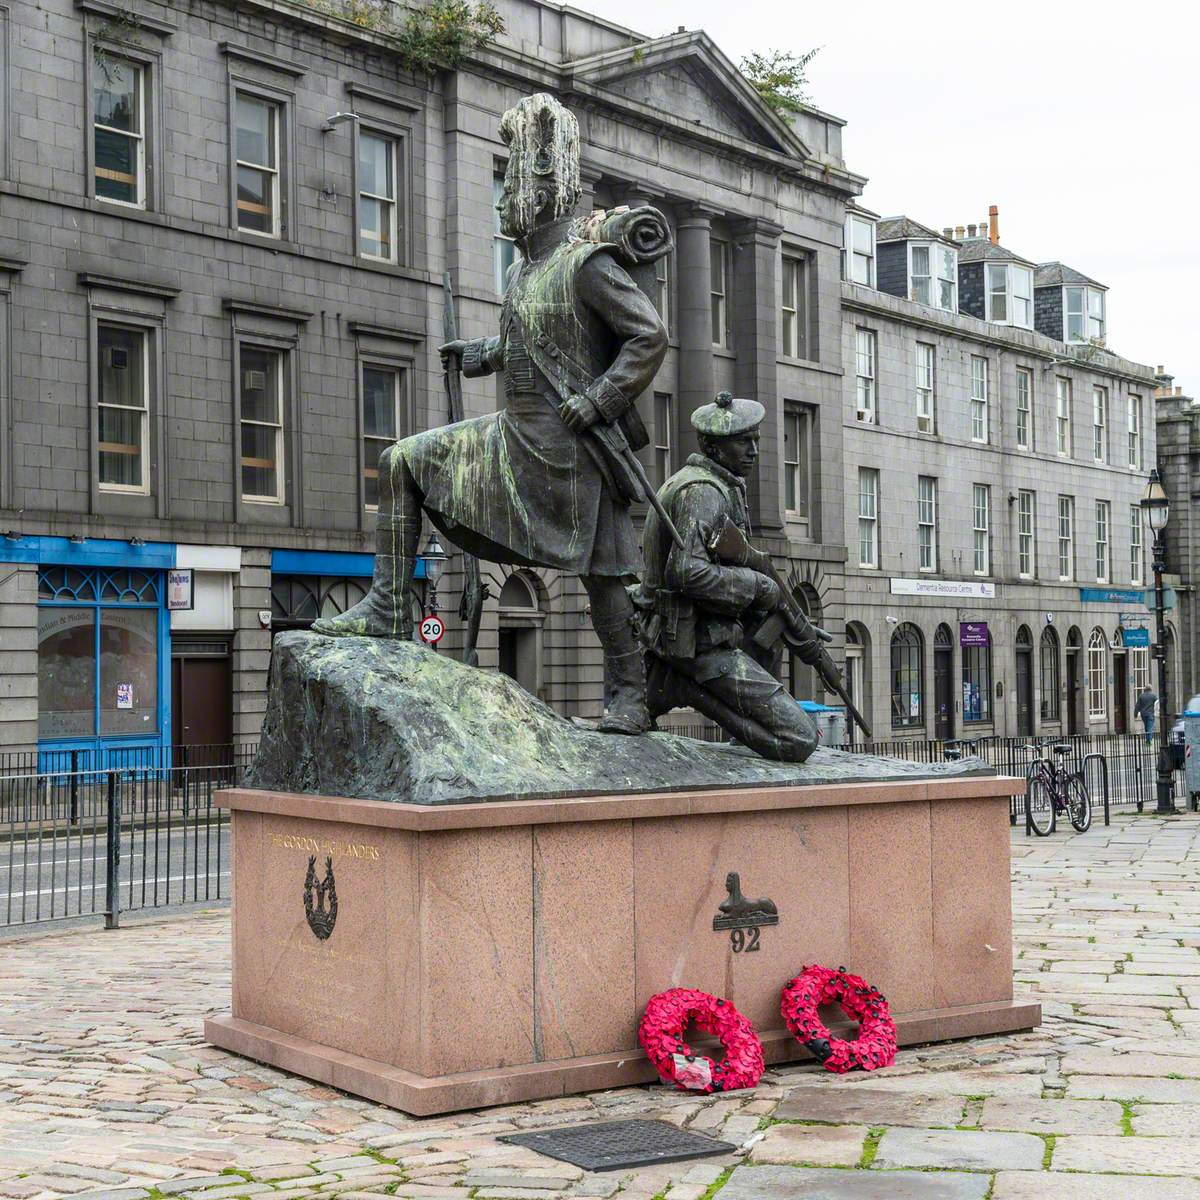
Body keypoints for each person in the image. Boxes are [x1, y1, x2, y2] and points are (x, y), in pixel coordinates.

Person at [313, 93, 668, 735]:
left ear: (540, 186)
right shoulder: (524, 274)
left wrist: (604, 397)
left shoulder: (586, 265)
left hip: (571, 446)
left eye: (508, 189)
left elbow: (649, 336)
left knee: (605, 575)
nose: (501, 205)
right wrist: (483, 354)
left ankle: (628, 695)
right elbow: (533, 344)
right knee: (402, 460)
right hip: (515, 436)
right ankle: (390, 607)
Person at [635, 392, 828, 762]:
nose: (754, 449)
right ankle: (684, 688)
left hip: (715, 634)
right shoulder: (703, 492)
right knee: (799, 739)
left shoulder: (722, 485)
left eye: (755, 439)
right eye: (743, 441)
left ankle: (734, 728)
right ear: (712, 445)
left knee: (774, 623)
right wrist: (757, 586)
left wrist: (795, 621)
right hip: (697, 645)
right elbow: (686, 571)